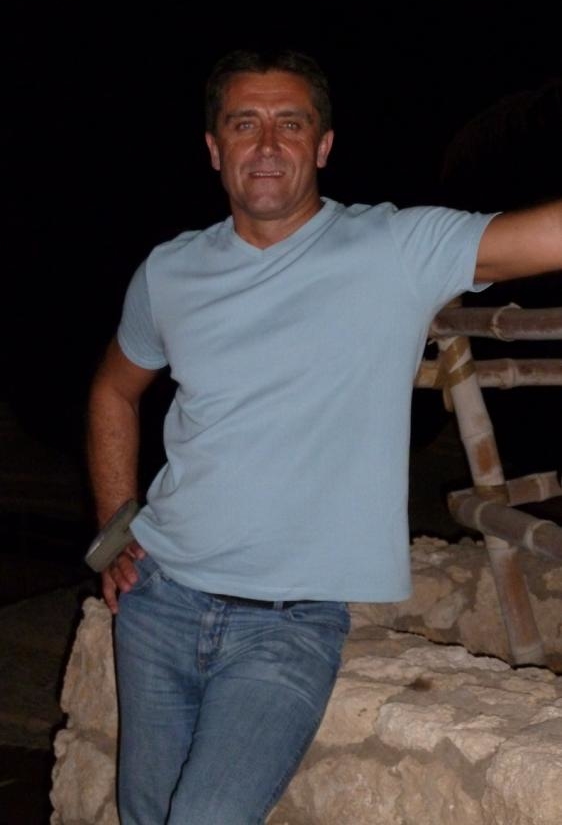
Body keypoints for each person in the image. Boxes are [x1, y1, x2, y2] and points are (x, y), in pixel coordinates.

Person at [86, 46, 562, 825]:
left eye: (291, 123)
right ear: (215, 148)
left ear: (324, 145)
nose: (268, 143)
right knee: (147, 814)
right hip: (159, 599)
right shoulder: (169, 271)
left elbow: (541, 238)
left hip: (289, 621)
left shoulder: (394, 249)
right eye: (245, 124)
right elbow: (114, 388)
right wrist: (116, 529)